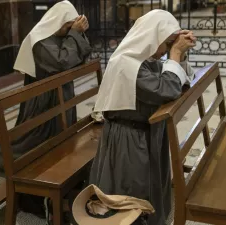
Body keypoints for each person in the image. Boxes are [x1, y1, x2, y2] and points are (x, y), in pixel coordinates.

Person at [0, 0, 92, 220]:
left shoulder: (61, 36)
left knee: (62, 137)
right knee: (35, 141)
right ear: (58, 22)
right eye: (68, 26)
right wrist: (74, 35)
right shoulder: (39, 40)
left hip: (62, 96)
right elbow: (62, 62)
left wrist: (78, 34)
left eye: (72, 27)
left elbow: (79, 58)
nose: (70, 30)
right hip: (43, 102)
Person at [89, 10, 196, 225]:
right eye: (166, 44)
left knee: (149, 184)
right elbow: (167, 89)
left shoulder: (144, 59)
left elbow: (177, 81)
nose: (165, 51)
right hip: (129, 138)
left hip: (145, 131)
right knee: (132, 189)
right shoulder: (127, 63)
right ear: (152, 37)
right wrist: (174, 56)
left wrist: (179, 56)